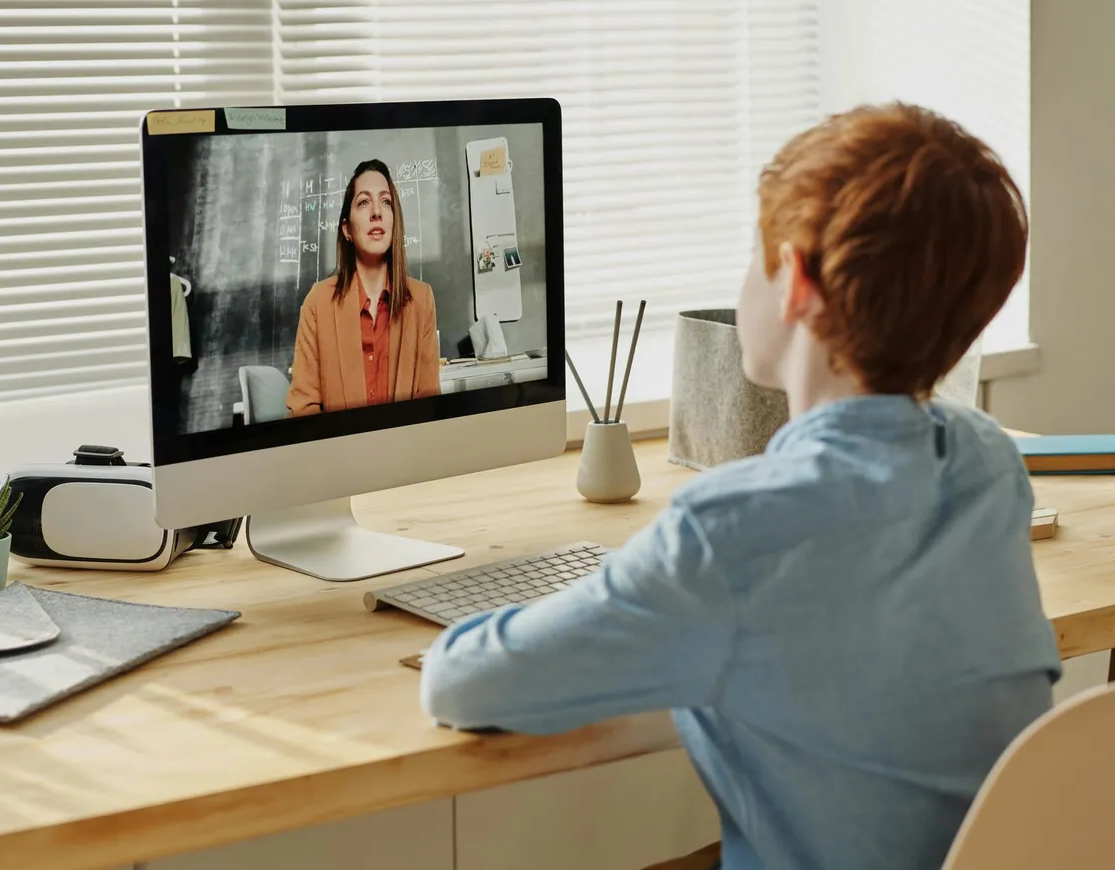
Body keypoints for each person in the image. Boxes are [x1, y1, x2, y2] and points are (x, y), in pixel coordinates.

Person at [418, 103, 1061, 870]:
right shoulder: (987, 464)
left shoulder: (732, 533)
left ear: (795, 281)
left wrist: (596, 599)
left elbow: (464, 685)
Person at [286, 158, 441, 416]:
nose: (376, 212)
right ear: (347, 229)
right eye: (363, 202)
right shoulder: (318, 303)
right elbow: (304, 410)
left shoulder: (422, 300)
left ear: (394, 221)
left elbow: (429, 408)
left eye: (386, 202)